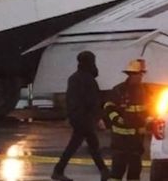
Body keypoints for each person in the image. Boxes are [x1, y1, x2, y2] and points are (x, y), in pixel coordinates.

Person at [51, 50, 110, 181]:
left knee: (87, 145)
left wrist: (72, 115)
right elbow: (92, 101)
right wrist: (97, 117)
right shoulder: (89, 80)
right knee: (85, 145)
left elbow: (71, 100)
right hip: (86, 118)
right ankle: (58, 170)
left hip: (77, 117)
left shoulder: (74, 78)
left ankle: (103, 170)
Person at [104, 59, 150, 180]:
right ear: (131, 75)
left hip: (137, 138)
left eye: (141, 74)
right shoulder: (118, 90)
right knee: (118, 168)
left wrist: (149, 121)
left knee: (135, 169)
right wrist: (117, 119)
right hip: (120, 137)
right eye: (138, 74)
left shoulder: (146, 91)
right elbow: (108, 107)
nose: (140, 77)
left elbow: (150, 110)